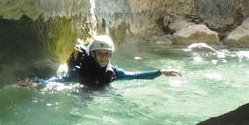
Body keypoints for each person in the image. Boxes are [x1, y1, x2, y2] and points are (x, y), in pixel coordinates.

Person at [21, 35, 182, 87]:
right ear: (92, 54)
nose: (104, 57)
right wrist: (36, 83)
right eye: (100, 54)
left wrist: (160, 72)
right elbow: (58, 81)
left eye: (107, 54)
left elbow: (134, 75)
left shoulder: (112, 72)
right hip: (83, 89)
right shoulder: (80, 71)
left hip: (100, 86)